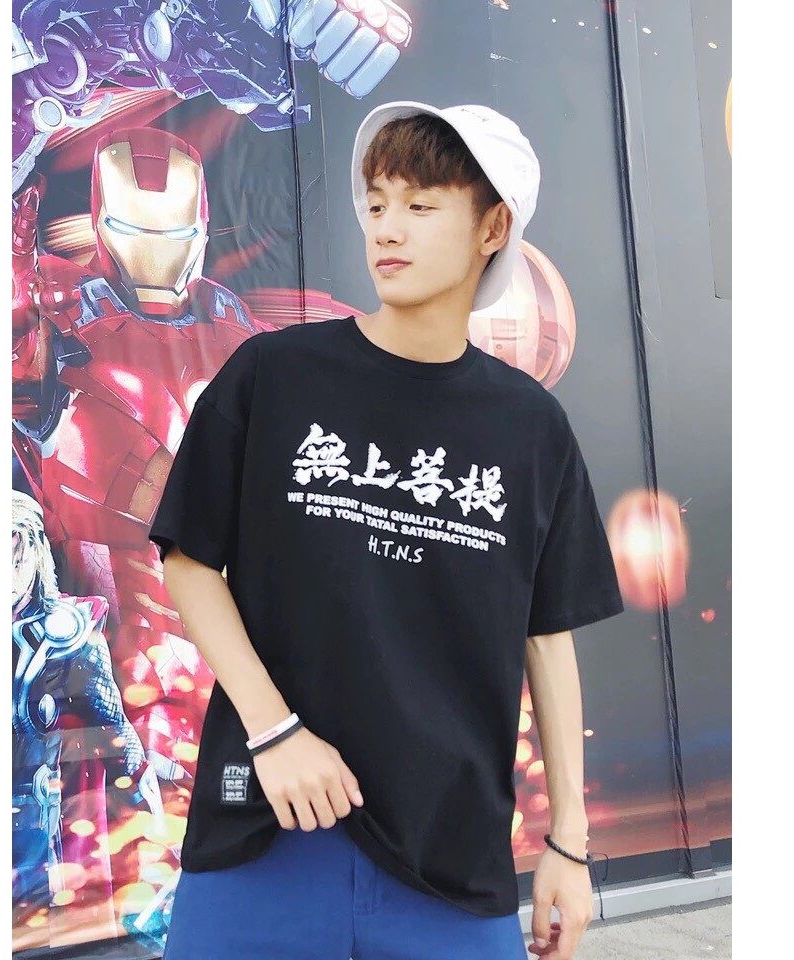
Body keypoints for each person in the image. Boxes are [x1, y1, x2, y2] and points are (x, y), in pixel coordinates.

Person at [148, 101, 624, 960]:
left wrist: (569, 842)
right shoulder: (275, 375)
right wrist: (273, 731)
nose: (387, 229)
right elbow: (188, 559)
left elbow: (546, 634)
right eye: (376, 203)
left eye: (421, 204)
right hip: (268, 831)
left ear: (492, 228)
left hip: (448, 859)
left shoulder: (530, 428)